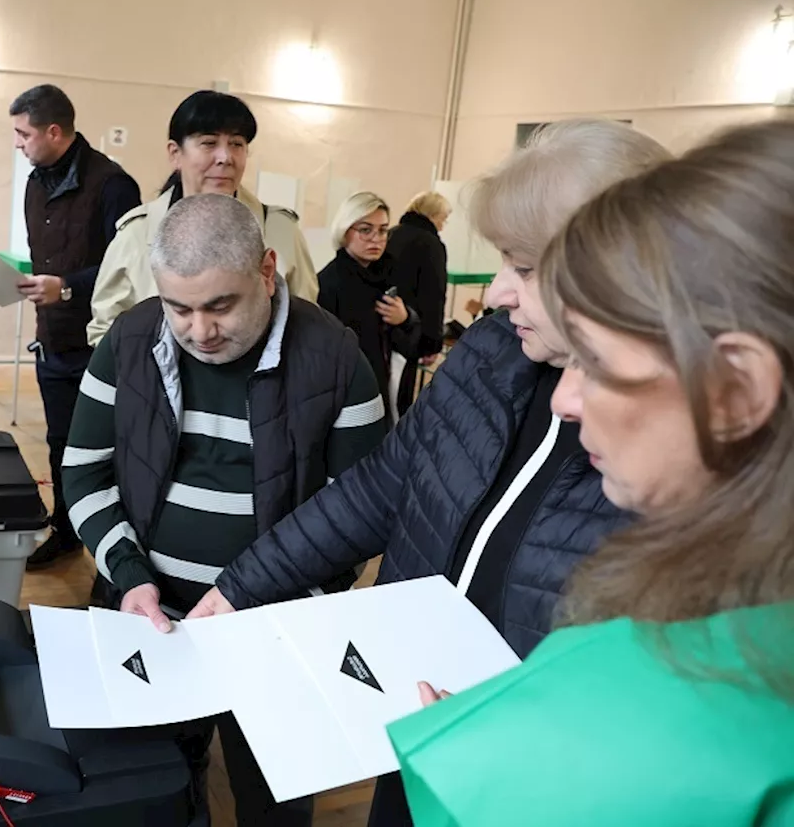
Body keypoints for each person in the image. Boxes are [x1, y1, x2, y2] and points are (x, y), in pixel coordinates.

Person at [185, 120, 672, 826]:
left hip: (527, 780)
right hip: (418, 714)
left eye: (525, 269)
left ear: (615, 270)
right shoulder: (494, 350)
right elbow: (386, 485)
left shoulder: (671, 445)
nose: (499, 293)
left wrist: (518, 752)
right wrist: (241, 586)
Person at [388, 117, 794, 826]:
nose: (567, 400)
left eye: (597, 361)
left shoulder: (673, 685)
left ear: (736, 388)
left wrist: (506, 776)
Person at [64, 193, 387, 826]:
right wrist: (130, 577)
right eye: (178, 307)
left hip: (278, 631)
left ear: (268, 271)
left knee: (276, 802)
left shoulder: (337, 358)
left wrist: (280, 606)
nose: (200, 331)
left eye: (221, 305)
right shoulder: (130, 341)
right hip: (149, 623)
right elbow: (83, 473)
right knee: (149, 794)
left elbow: (362, 513)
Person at [9, 84, 142, 568]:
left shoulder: (113, 185)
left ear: (54, 131)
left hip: (100, 344)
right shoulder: (34, 183)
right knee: (59, 443)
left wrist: (64, 286)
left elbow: (125, 267)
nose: (18, 143)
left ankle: (117, 553)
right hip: (53, 340)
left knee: (111, 450)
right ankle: (66, 530)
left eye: (24, 134)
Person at [87, 90, 319, 347]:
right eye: (209, 143)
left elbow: (307, 327)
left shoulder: (279, 230)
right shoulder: (137, 233)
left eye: (237, 144)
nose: (225, 158)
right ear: (175, 153)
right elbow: (106, 331)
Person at [317, 191, 420, 424]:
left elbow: (413, 342)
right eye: (365, 230)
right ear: (345, 231)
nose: (376, 238)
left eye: (383, 230)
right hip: (349, 398)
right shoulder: (329, 283)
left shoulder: (392, 273)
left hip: (391, 390)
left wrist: (405, 319)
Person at [387, 191, 450, 416]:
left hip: (384, 329)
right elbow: (434, 297)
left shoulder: (391, 235)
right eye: (443, 218)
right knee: (401, 400)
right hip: (411, 332)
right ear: (432, 215)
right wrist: (432, 342)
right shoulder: (431, 244)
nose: (443, 225)